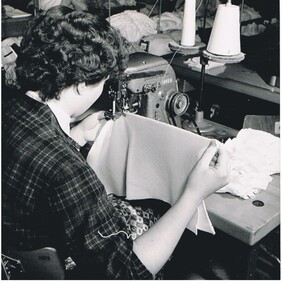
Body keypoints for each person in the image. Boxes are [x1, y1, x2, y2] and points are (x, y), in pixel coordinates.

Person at [2, 5, 230, 280]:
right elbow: (126, 273)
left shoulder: (9, 109)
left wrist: (75, 137)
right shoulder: (67, 170)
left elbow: (32, 163)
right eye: (102, 83)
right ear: (82, 85)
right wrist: (193, 194)